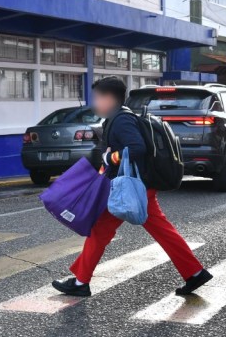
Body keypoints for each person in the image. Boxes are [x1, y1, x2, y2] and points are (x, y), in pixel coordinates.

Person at [51, 76, 213, 297]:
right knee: (159, 231)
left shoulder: (122, 120)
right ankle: (194, 272)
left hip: (129, 187)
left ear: (110, 98)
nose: (94, 103)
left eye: (97, 98)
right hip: (135, 185)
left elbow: (137, 148)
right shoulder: (116, 117)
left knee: (101, 231)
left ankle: (81, 282)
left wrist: (112, 158)